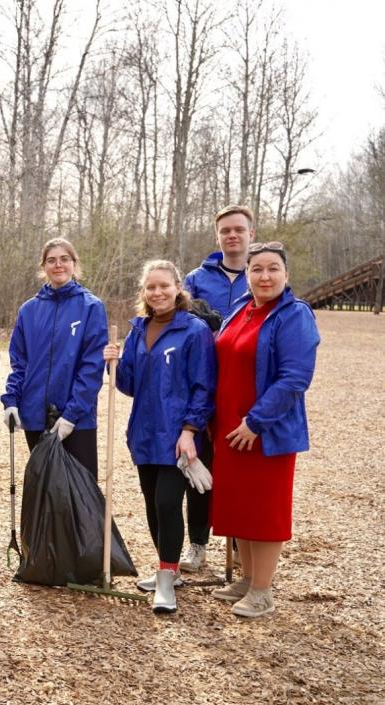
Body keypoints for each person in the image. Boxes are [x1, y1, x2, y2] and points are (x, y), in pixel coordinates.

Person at [209, 242, 319, 618]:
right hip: (228, 427)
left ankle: (262, 590)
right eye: (257, 269)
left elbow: (294, 378)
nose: (265, 276)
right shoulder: (241, 308)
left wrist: (255, 422)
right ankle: (247, 577)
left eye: (273, 269)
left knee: (265, 509)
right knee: (239, 505)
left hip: (265, 430)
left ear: (286, 274)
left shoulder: (294, 315)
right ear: (248, 274)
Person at [103, 260, 216, 614]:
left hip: (177, 435)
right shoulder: (139, 329)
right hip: (144, 433)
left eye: (164, 286)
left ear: (178, 287)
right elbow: (131, 386)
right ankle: (167, 568)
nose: (157, 293)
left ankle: (167, 579)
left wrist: (190, 431)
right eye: (151, 287)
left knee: (168, 503)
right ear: (144, 292)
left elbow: (204, 386)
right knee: (153, 505)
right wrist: (115, 364)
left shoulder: (194, 331)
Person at [179, 204, 256, 572]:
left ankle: (242, 542)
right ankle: (197, 542)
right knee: (200, 464)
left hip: (244, 385)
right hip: (202, 382)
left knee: (241, 468)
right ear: (218, 236)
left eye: (239, 229)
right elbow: (181, 319)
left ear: (250, 234)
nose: (232, 235)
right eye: (225, 230)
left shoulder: (261, 274)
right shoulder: (196, 278)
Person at [1, 238, 107, 476]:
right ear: (44, 267)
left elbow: (91, 367)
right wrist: (11, 401)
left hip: (76, 420)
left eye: (64, 259)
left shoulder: (91, 307)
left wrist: (71, 415)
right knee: (46, 491)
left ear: (74, 264)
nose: (58, 265)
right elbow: (20, 363)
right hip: (35, 415)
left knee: (82, 494)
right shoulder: (28, 310)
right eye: (51, 260)